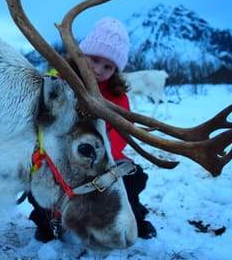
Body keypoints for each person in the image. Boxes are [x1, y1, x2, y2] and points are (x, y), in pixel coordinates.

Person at [28, 17, 157, 242]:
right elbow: (40, 125)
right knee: (37, 180)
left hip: (102, 161)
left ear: (116, 70)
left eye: (108, 66)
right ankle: (46, 220)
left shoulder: (118, 97)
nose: (98, 70)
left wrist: (97, 159)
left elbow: (120, 134)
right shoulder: (57, 84)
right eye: (94, 60)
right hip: (56, 158)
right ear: (81, 55)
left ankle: (135, 216)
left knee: (131, 180)